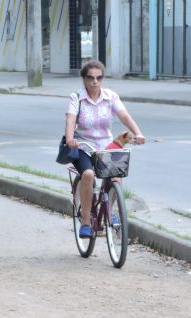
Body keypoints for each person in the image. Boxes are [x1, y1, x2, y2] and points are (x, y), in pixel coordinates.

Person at [63, 60, 144, 239]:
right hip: (83, 146)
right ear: (84, 79)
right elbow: (70, 119)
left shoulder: (110, 97)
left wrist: (137, 133)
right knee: (89, 175)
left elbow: (124, 115)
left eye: (99, 78)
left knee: (116, 176)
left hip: (106, 146)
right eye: (90, 78)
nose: (95, 82)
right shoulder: (76, 97)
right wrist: (70, 139)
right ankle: (85, 221)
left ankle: (111, 209)